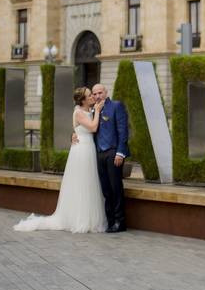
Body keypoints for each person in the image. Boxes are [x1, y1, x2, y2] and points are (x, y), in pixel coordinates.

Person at [13, 87, 107, 233]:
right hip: (81, 150)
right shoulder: (79, 112)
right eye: (89, 96)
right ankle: (79, 219)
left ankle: (90, 217)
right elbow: (93, 127)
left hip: (89, 148)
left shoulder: (90, 110)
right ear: (82, 100)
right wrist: (98, 111)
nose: (92, 97)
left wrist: (76, 132)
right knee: (81, 182)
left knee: (90, 182)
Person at [89, 83, 130, 233]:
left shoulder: (116, 106)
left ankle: (120, 222)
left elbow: (123, 131)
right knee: (106, 190)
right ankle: (111, 220)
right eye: (95, 93)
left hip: (113, 153)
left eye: (100, 92)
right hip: (99, 153)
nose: (98, 96)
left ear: (106, 92)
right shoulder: (93, 110)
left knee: (115, 188)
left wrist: (121, 152)